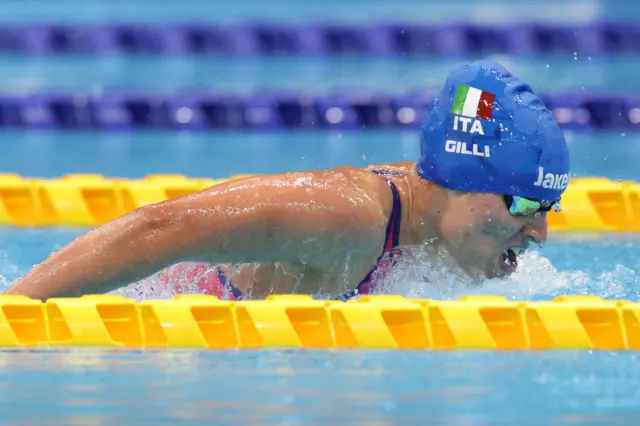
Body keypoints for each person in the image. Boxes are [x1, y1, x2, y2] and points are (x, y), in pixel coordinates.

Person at [4, 59, 570, 301]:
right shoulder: (346, 215)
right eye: (524, 204)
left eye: (549, 207)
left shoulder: (444, 226)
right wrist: (16, 314)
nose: (540, 233)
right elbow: (159, 226)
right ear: (460, 182)